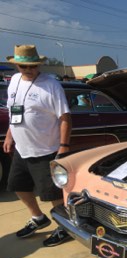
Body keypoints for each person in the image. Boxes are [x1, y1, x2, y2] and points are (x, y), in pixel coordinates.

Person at [3, 44, 72, 247]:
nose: (29, 70)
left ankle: (64, 227)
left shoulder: (51, 85)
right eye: (24, 67)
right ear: (17, 66)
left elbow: (65, 118)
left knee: (52, 195)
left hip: (45, 150)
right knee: (17, 186)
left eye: (33, 66)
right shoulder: (14, 80)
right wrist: (9, 136)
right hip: (21, 150)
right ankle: (38, 218)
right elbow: (13, 112)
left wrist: (64, 147)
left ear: (39, 65)